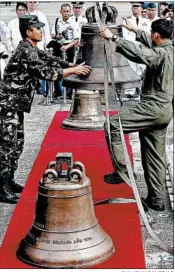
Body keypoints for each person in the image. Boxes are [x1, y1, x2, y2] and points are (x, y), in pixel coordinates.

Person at [0, 15, 91, 204]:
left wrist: (71, 65)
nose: (41, 31)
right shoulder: (25, 51)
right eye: (38, 29)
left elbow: (49, 59)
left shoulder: (32, 48)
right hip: (7, 105)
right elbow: (48, 73)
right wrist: (73, 71)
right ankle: (2, 187)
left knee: (17, 145)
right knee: (7, 146)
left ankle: (8, 180)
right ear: (28, 32)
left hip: (15, 105)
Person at [99, 19, 173, 212]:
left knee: (112, 124)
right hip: (165, 111)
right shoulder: (170, 49)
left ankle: (123, 171)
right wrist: (136, 30)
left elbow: (145, 54)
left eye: (151, 33)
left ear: (156, 34)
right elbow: (152, 47)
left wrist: (115, 38)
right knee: (154, 156)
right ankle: (156, 200)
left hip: (152, 108)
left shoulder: (160, 54)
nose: (150, 36)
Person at [51, 3, 80, 99]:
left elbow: (76, 39)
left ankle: (68, 92)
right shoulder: (57, 21)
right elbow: (52, 34)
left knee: (69, 69)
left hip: (69, 47)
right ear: (61, 12)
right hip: (58, 46)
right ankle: (57, 91)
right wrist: (56, 36)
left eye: (68, 11)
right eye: (64, 11)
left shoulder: (73, 23)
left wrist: (67, 46)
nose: (66, 13)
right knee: (56, 68)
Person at [122, 2, 151, 99]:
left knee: (141, 70)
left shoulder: (147, 22)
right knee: (130, 69)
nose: (136, 9)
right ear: (131, 8)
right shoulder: (126, 20)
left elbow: (147, 36)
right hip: (131, 48)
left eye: (138, 7)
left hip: (143, 49)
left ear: (141, 8)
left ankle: (140, 90)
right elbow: (125, 36)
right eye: (134, 6)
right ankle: (129, 91)